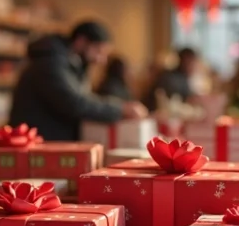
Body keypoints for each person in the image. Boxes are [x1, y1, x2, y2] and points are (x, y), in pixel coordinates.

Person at [9, 20, 147, 141]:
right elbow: (74, 102)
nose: (101, 60)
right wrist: (121, 109)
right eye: (99, 51)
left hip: (46, 143)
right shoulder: (50, 64)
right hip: (38, 147)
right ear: (81, 42)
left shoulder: (70, 64)